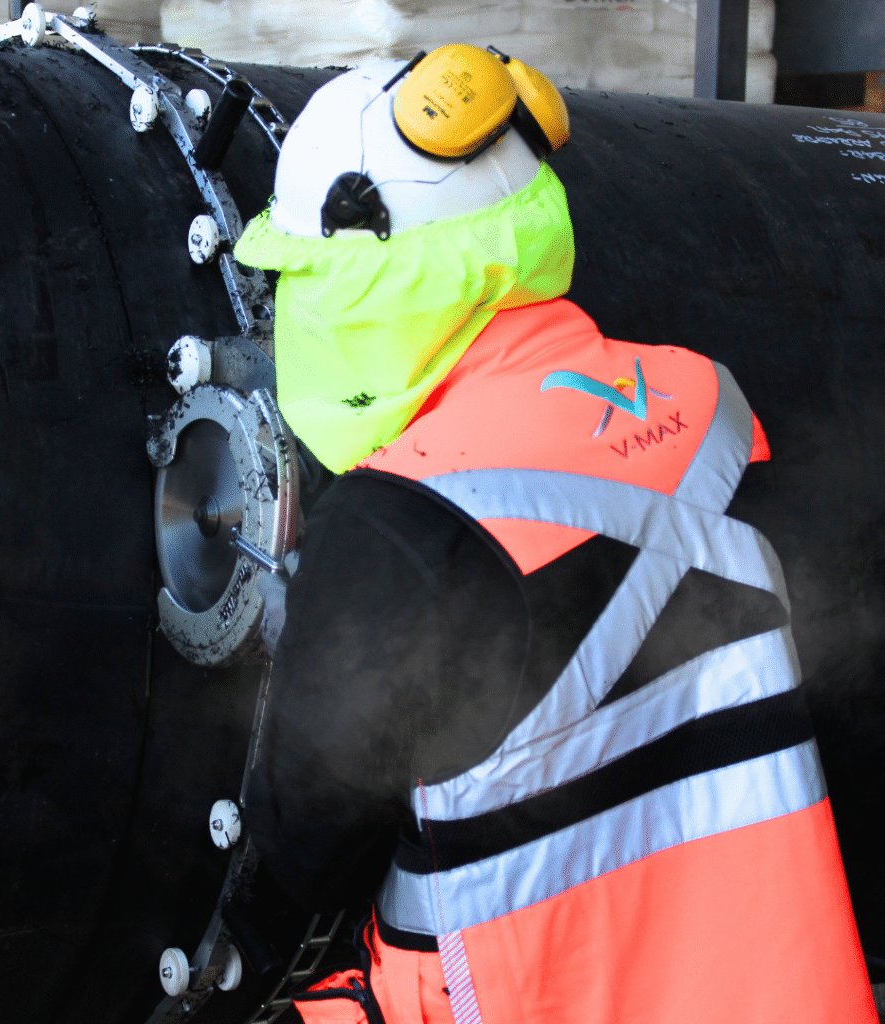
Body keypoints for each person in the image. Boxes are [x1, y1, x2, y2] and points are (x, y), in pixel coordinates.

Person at [234, 44, 877, 1024]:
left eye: (310, 274)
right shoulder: (716, 406)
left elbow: (306, 851)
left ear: (377, 279)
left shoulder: (399, 521)